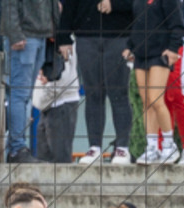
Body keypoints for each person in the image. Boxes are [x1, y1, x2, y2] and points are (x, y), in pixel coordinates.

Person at [57, 0, 135, 165]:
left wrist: (115, 4)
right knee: (93, 94)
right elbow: (69, 5)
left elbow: (138, 4)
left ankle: (122, 148)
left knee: (119, 94)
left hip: (119, 35)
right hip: (86, 36)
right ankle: (94, 147)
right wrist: (63, 36)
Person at [124, 0, 184, 164]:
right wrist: (130, 46)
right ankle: (152, 147)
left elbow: (178, 25)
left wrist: (173, 48)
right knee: (146, 102)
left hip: (160, 54)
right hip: (141, 55)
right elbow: (135, 24)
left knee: (156, 99)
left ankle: (169, 144)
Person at [0, 0, 60, 163]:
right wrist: (15, 34)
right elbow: (9, 5)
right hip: (25, 38)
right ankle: (17, 149)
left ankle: (19, 148)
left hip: (39, 37)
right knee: (20, 95)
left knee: (24, 96)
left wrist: (55, 29)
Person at [32, 47, 81, 163]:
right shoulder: (45, 42)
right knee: (44, 162)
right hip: (47, 107)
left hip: (61, 105)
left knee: (60, 162)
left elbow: (63, 79)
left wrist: (41, 97)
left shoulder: (64, 43)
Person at [163, 0, 184, 165]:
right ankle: (165, 148)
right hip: (159, 37)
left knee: (179, 91)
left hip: (182, 36)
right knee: (160, 96)